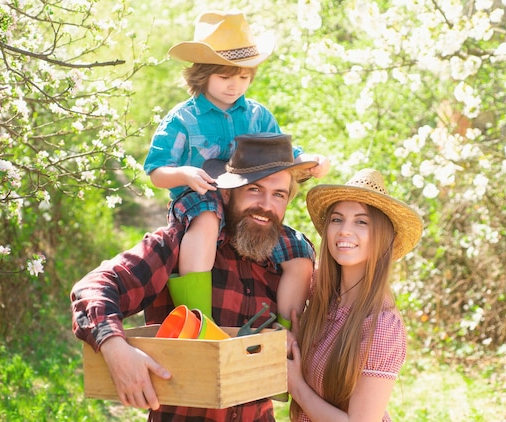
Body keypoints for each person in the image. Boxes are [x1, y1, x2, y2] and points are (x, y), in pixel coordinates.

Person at [71, 133, 318, 421]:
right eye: (254, 189)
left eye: (279, 195)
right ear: (227, 192)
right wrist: (115, 349)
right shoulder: (185, 243)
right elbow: (93, 288)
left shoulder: (287, 263)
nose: (266, 205)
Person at [144, 10, 330, 327]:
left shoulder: (257, 115)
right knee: (206, 219)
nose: (235, 86)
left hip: (246, 202)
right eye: (225, 77)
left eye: (243, 77)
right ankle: (198, 319)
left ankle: (286, 332)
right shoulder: (183, 119)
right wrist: (186, 175)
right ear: (202, 74)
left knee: (299, 250)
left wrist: (310, 159)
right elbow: (156, 170)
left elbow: (281, 152)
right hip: (198, 197)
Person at [287, 168, 424, 421]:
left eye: (361, 222)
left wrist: (296, 386)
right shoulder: (322, 295)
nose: (344, 231)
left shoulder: (381, 326)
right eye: (337, 219)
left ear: (382, 237)